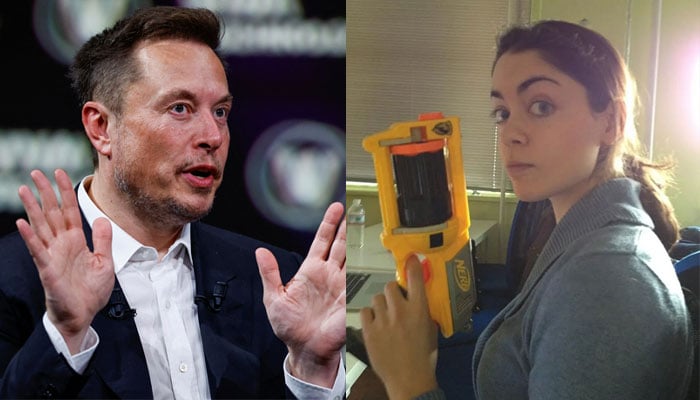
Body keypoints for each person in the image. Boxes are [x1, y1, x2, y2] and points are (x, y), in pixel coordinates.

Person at [0, 6, 345, 399]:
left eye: (221, 112)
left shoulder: (276, 281)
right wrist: (65, 335)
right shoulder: (11, 280)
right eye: (179, 108)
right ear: (101, 128)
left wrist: (313, 372)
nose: (212, 135)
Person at [360, 20, 694, 399]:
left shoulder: (608, 282)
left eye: (541, 106)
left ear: (611, 122)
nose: (510, 133)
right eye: (501, 112)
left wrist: (410, 379)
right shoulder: (576, 236)